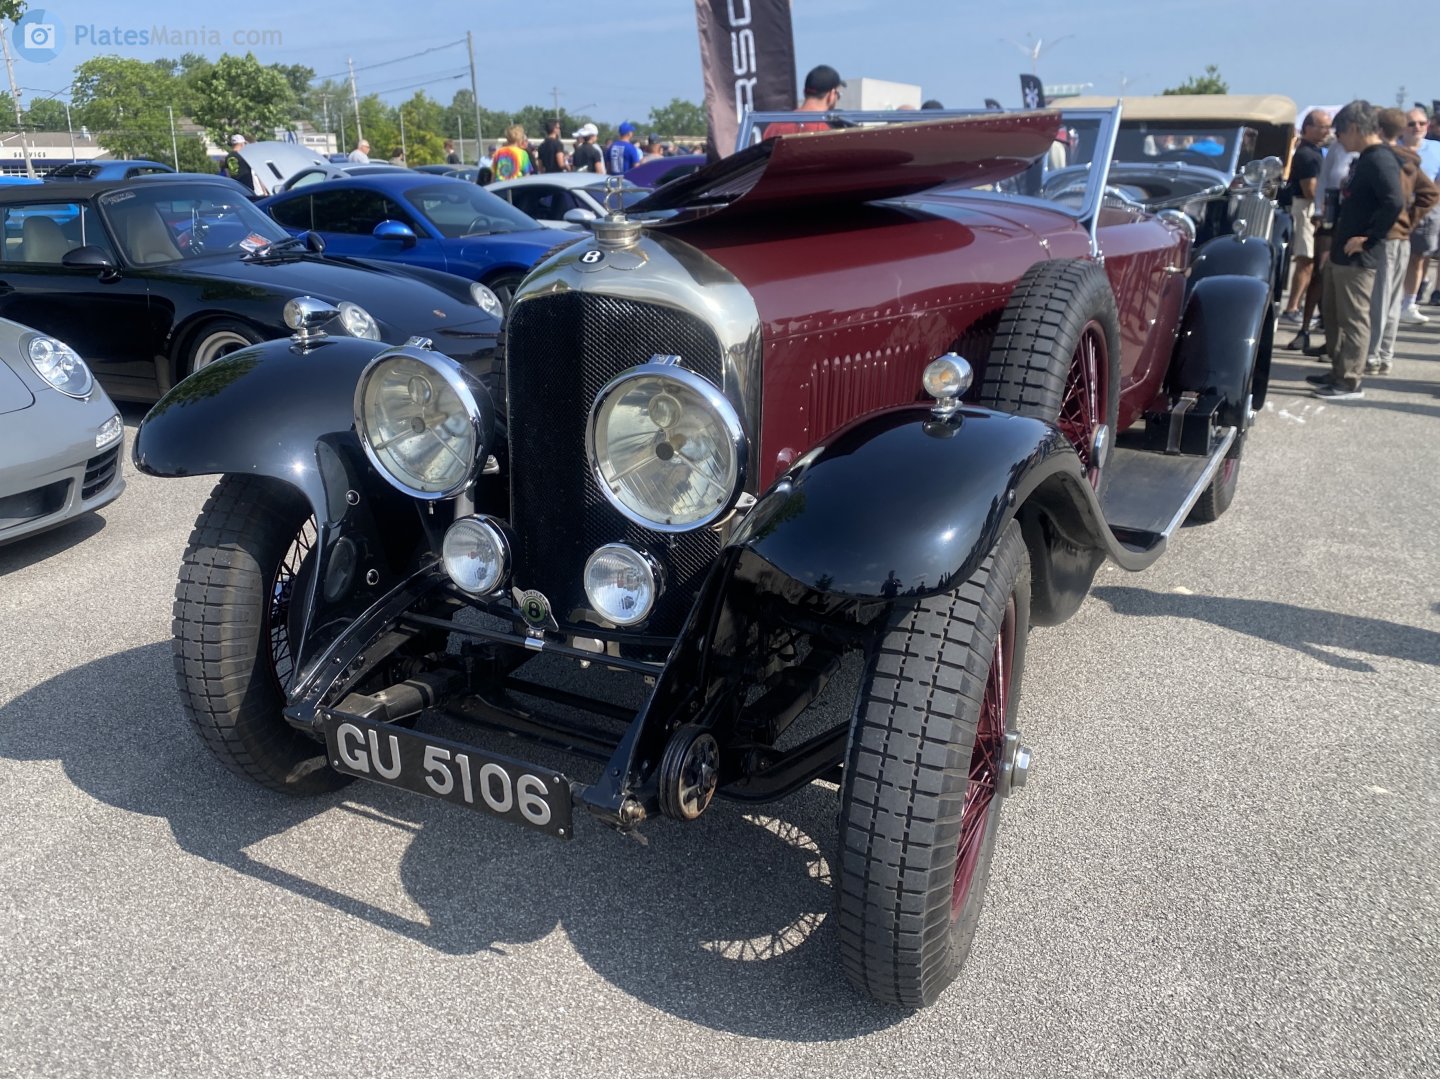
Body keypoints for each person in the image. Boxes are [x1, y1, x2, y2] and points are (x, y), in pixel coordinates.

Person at [1305, 101, 1404, 400]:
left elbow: (1394, 202)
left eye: (1339, 132)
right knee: (1334, 315)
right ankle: (1338, 370)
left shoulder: (1380, 159)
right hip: (1340, 250)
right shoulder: (1365, 158)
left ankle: (1349, 381)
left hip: (1358, 256)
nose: (1338, 138)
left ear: (1354, 128)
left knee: (1353, 318)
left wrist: (1369, 238)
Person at [1365, 108, 1438, 375]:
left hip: (1388, 235)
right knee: (1391, 302)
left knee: (1380, 300)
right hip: (1401, 235)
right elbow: (1430, 193)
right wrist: (1410, 219)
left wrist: (1406, 218)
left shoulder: (1390, 158)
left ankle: (1373, 356)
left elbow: (1429, 194)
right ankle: (1384, 355)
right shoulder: (1409, 158)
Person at [1279, 109, 1331, 344]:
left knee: (1309, 260)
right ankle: (1292, 307)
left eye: (1328, 126)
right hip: (1305, 207)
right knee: (1306, 259)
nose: (1326, 131)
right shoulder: (1307, 155)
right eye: (1321, 126)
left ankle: (1295, 305)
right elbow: (1310, 189)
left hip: (1309, 207)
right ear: (1308, 127)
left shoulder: (1315, 151)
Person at [1397, 106, 1440, 318]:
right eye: (1412, 123)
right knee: (1394, 255)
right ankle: (1393, 298)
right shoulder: (1393, 147)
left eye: (1422, 123)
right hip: (1397, 208)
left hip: (1426, 210)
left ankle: (1409, 302)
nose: (1417, 127)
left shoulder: (1436, 149)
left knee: (1419, 257)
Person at [762, 64, 844, 139]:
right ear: (831, 95)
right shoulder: (828, 132)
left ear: (804, 91)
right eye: (838, 94)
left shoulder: (774, 127)